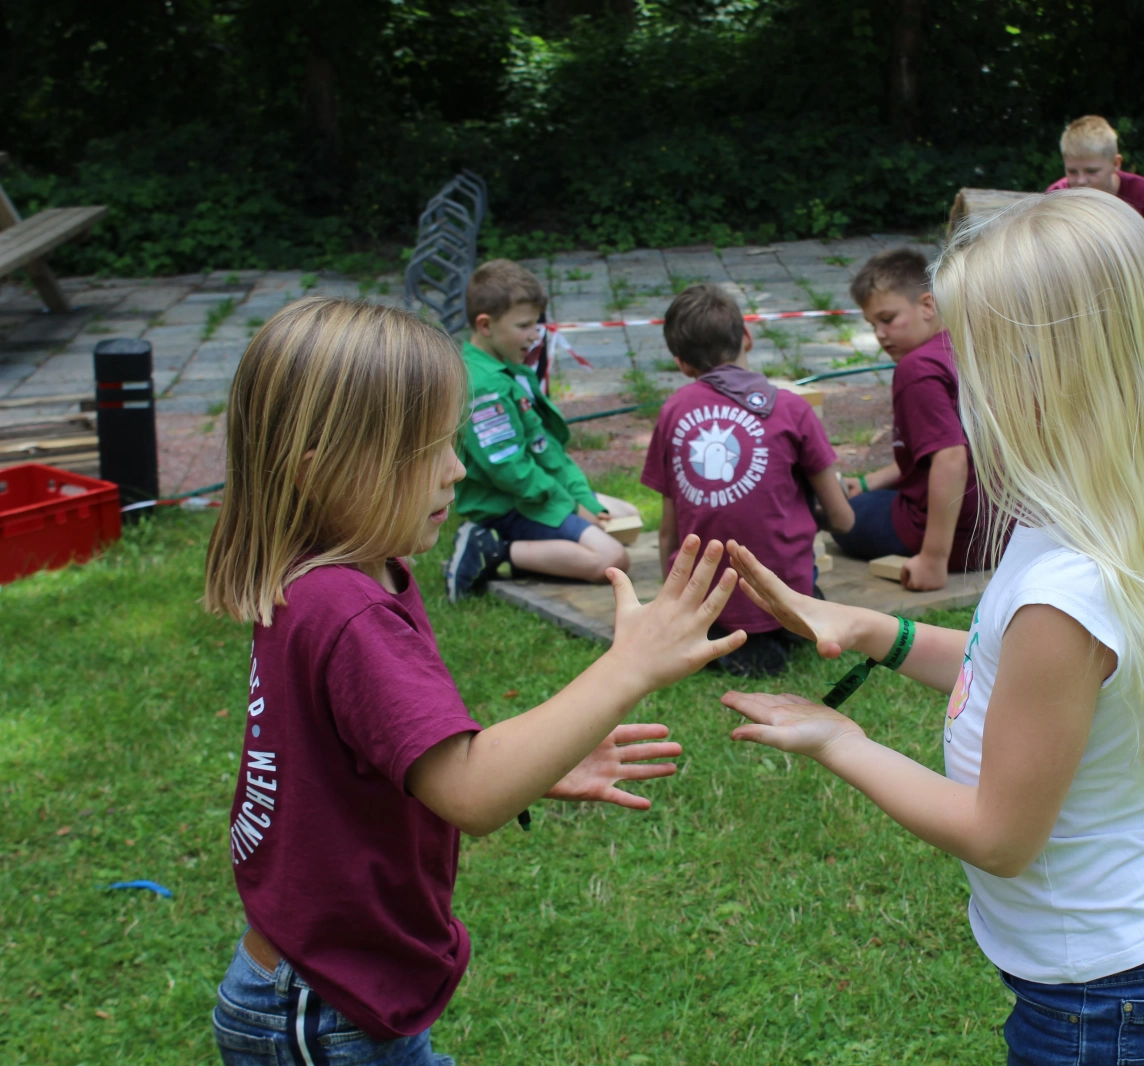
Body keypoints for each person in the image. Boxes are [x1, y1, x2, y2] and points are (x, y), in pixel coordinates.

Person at [721, 190, 1144, 1066]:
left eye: (978, 363)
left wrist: (838, 739)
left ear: (1056, 380)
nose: (963, 388)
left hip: (1102, 995)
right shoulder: (1094, 520)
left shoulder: (1067, 596)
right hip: (1135, 954)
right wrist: (872, 632)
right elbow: (1002, 677)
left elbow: (1001, 838)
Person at [202, 297, 746, 1066]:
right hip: (326, 1011)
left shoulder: (339, 575)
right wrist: (628, 666)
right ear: (319, 470)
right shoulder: (345, 608)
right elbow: (471, 793)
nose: (456, 468)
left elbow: (385, 751)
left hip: (327, 982)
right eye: (424, 450)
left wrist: (537, 762)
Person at [644, 283, 856, 677]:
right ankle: (781, 628)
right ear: (747, 336)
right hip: (787, 592)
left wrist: (670, 608)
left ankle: (728, 638)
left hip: (704, 602)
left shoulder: (673, 411)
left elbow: (668, 534)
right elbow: (844, 520)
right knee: (803, 602)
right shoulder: (793, 408)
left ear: (682, 364)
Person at [445, 259, 640, 601]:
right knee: (613, 560)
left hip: (535, 494)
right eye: (524, 326)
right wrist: (570, 507)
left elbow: (548, 450)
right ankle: (490, 547)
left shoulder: (509, 366)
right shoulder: (484, 386)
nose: (535, 335)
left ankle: (538, 554)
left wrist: (580, 498)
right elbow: (510, 471)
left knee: (628, 518)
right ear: (486, 325)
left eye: (536, 324)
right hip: (507, 505)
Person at [836, 248, 992, 590]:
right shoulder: (967, 347)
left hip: (957, 542)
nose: (879, 333)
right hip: (997, 533)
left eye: (888, 319)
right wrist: (866, 482)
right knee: (862, 498)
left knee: (837, 515)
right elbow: (939, 446)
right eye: (872, 324)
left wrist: (933, 558)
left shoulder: (917, 369)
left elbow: (950, 457)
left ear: (927, 305)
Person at [1046, 115, 1144, 241]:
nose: (1081, 180)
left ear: (1116, 164)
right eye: (1072, 171)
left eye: (1091, 171)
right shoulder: (1055, 197)